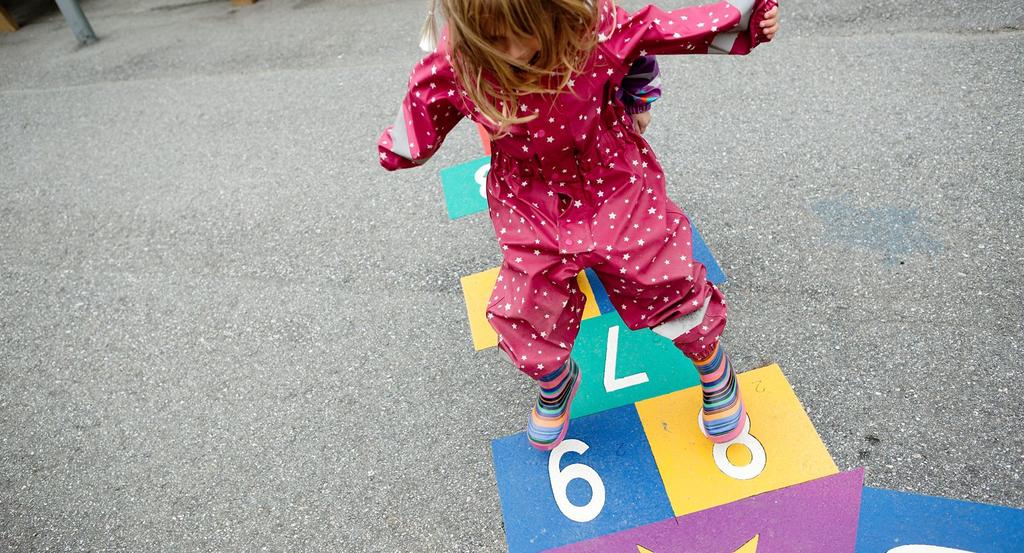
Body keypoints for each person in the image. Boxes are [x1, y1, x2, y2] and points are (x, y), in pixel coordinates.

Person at [378, 0, 780, 450]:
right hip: (530, 198)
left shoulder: (594, 29)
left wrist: (750, 18)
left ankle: (714, 370)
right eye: (493, 38)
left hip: (611, 178)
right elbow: (418, 116)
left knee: (664, 276)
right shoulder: (461, 62)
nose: (509, 51)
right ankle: (557, 379)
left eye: (523, 33)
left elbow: (667, 29)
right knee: (523, 305)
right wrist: (401, 148)